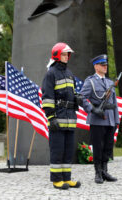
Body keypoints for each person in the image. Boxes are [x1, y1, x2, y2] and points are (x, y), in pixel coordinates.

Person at [42, 42, 81, 190]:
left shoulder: (70, 73)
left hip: (70, 121)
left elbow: (73, 93)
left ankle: (67, 178)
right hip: (57, 120)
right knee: (57, 151)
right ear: (57, 55)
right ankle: (57, 180)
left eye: (68, 54)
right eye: (64, 54)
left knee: (68, 151)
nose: (67, 57)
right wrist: (51, 118)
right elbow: (47, 98)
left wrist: (78, 98)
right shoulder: (51, 73)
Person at [79, 54, 120, 184]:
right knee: (98, 146)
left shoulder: (109, 82)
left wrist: (116, 120)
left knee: (108, 147)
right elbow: (81, 98)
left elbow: (114, 102)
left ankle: (105, 171)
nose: (105, 67)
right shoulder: (90, 81)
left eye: (106, 65)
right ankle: (98, 172)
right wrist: (92, 109)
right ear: (96, 66)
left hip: (110, 120)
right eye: (103, 65)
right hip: (97, 119)